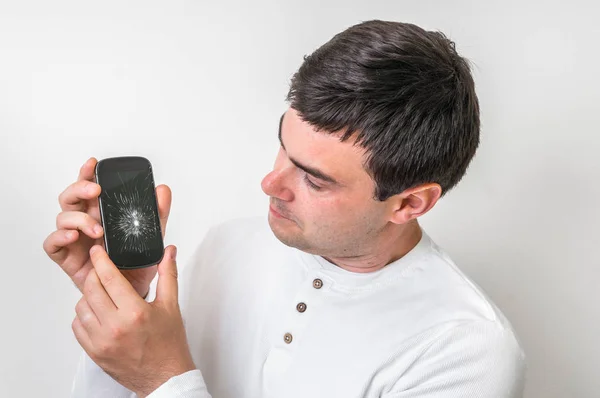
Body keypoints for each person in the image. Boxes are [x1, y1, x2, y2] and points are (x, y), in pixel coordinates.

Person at [44, 19, 526, 398]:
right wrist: (121, 302)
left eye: (314, 179)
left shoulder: (466, 354)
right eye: (283, 148)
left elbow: (159, 384)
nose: (270, 183)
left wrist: (165, 380)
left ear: (410, 203)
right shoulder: (226, 244)